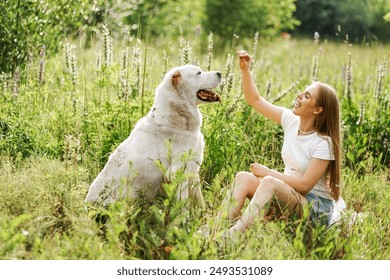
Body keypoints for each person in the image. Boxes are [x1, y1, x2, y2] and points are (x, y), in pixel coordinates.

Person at [225, 50, 343, 236]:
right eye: (302, 93)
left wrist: (268, 173)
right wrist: (245, 70)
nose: (299, 96)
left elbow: (304, 186)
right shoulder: (290, 120)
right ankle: (214, 228)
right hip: (289, 198)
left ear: (318, 110)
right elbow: (254, 100)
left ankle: (232, 236)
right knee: (243, 177)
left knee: (270, 182)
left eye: (306, 96)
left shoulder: (324, 143)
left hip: (315, 210)